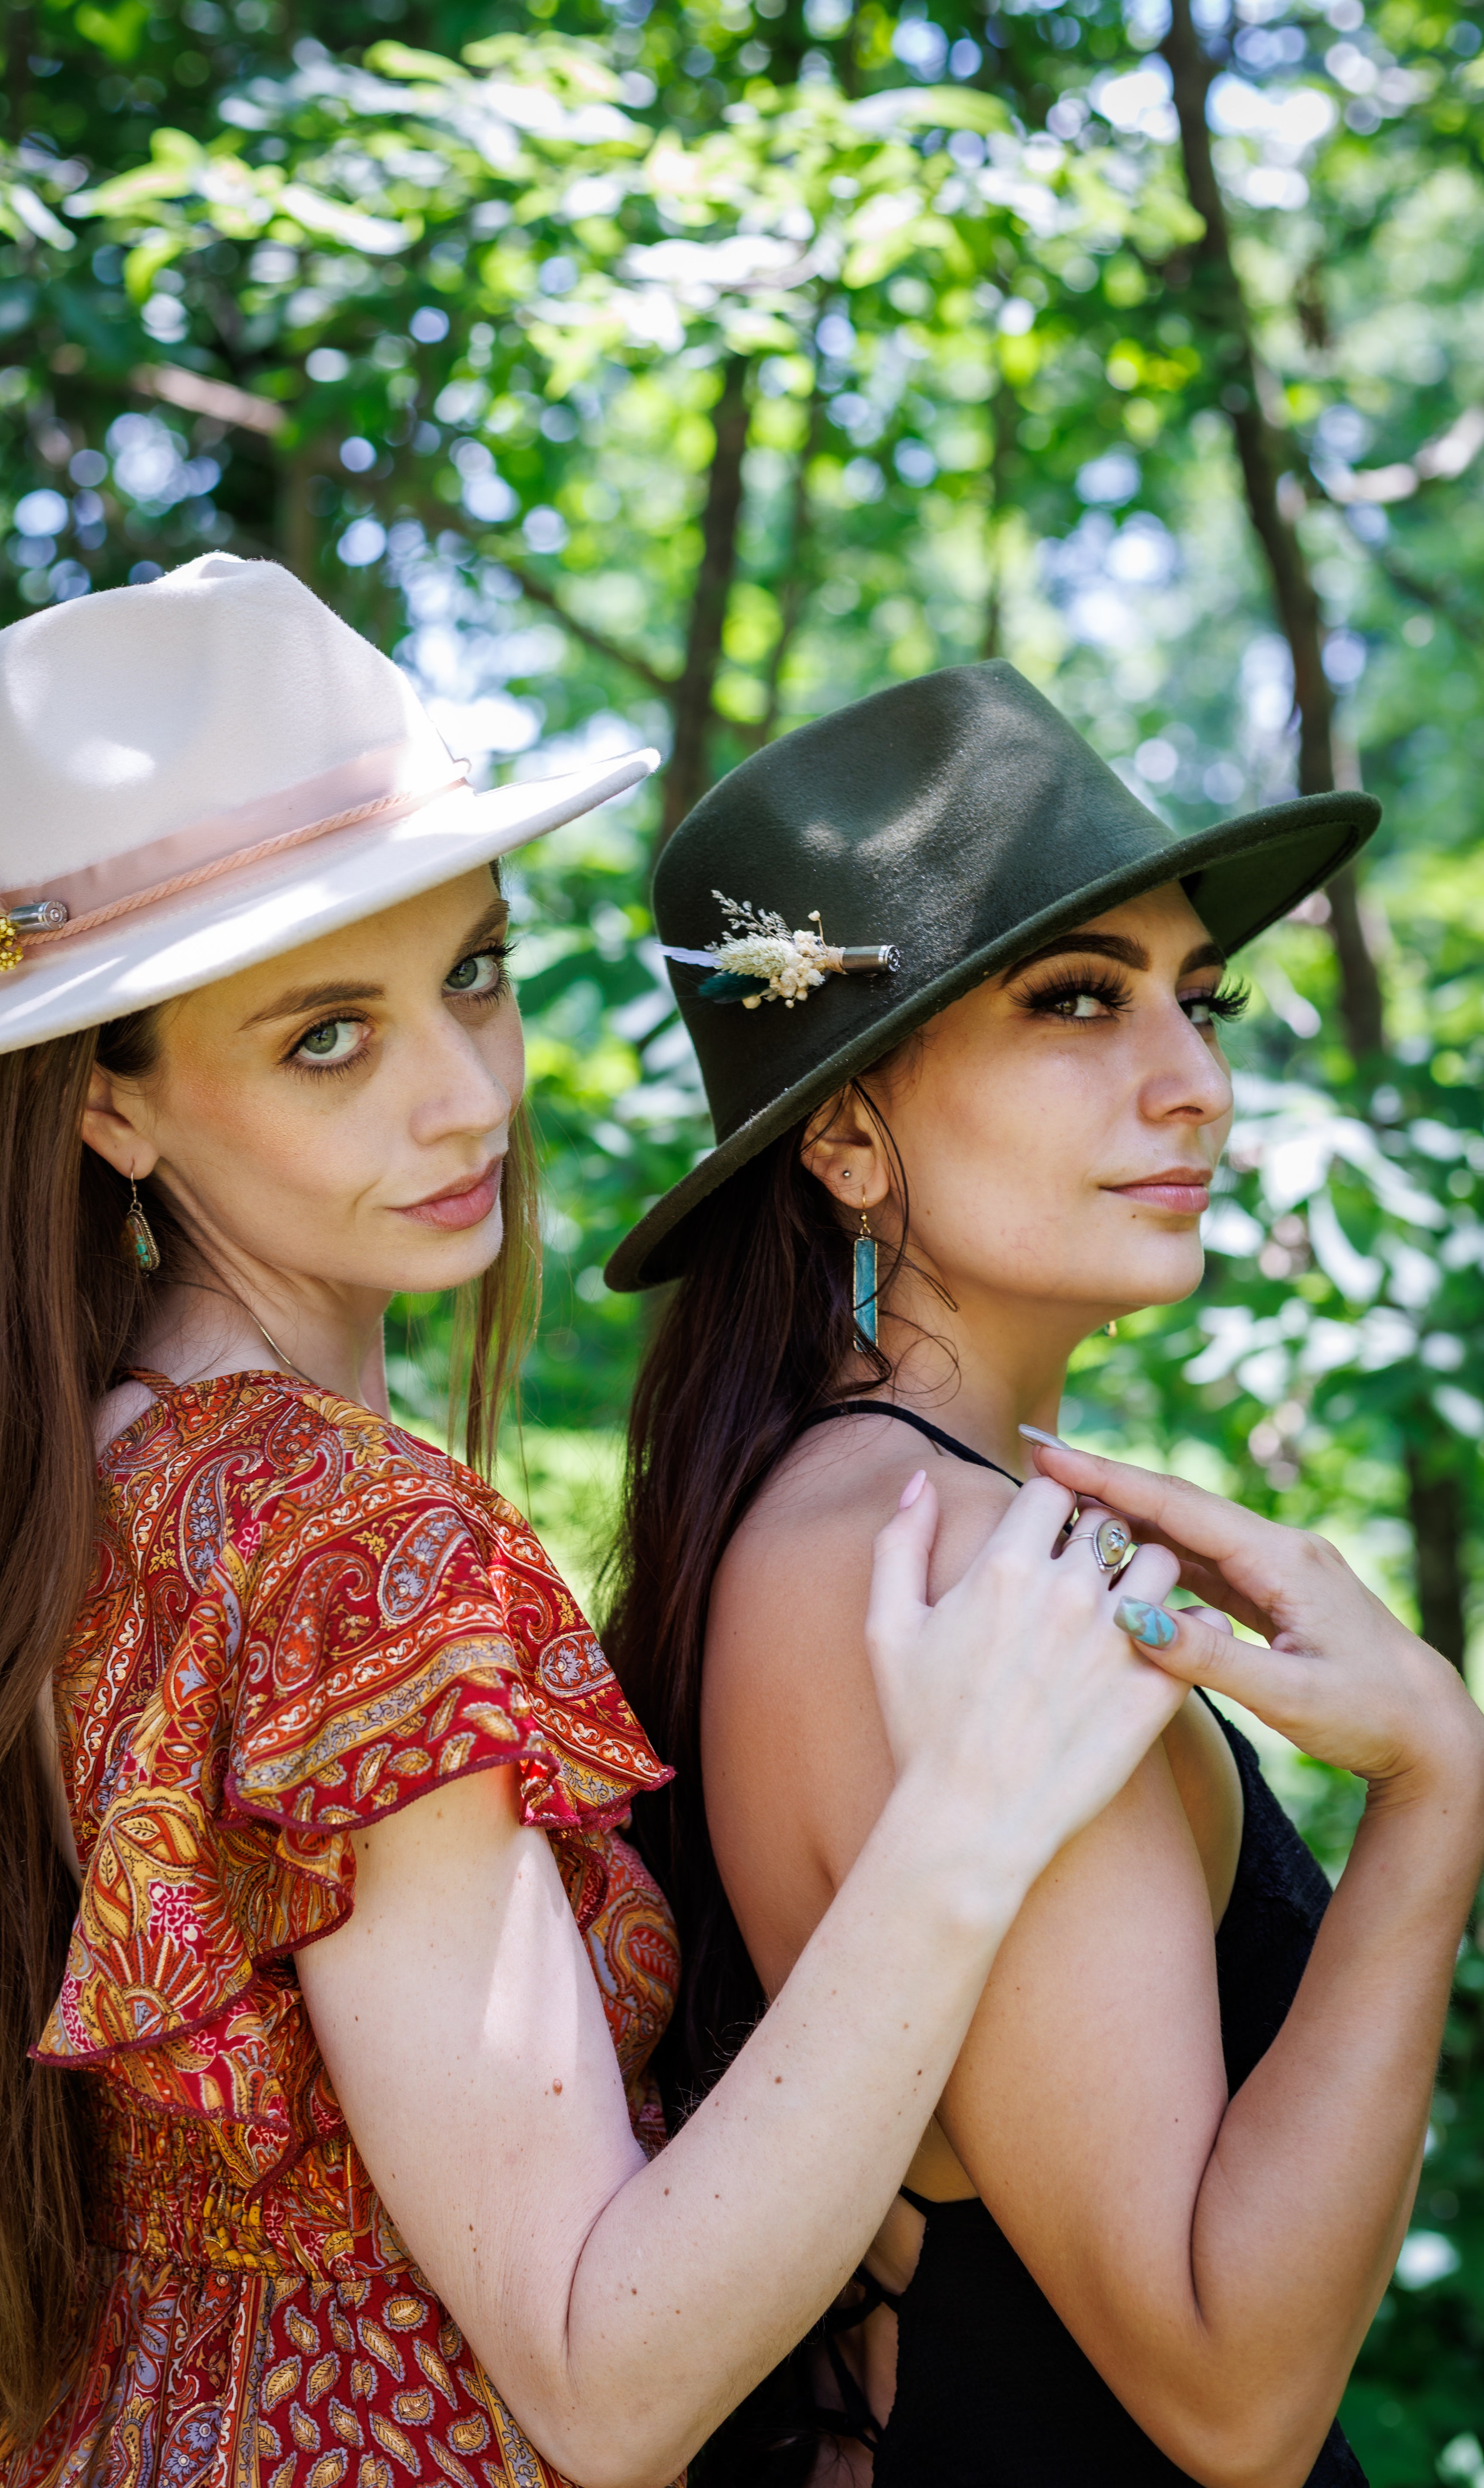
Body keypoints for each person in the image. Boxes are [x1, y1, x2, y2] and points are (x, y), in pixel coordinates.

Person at [0, 557, 1211, 2488]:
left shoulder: (108, 1473)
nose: (465, 1096)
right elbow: (597, 2381)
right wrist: (966, 1828)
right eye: (328, 1037)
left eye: (471, 974)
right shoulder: (345, 1539)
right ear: (110, 1111)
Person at [602, 663, 1484, 2488]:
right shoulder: (951, 1575)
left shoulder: (827, 1522)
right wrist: (1438, 1790)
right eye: (1080, 1002)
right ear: (842, 1134)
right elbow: (1231, 2396)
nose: (1197, 1086)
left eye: (1201, 998)